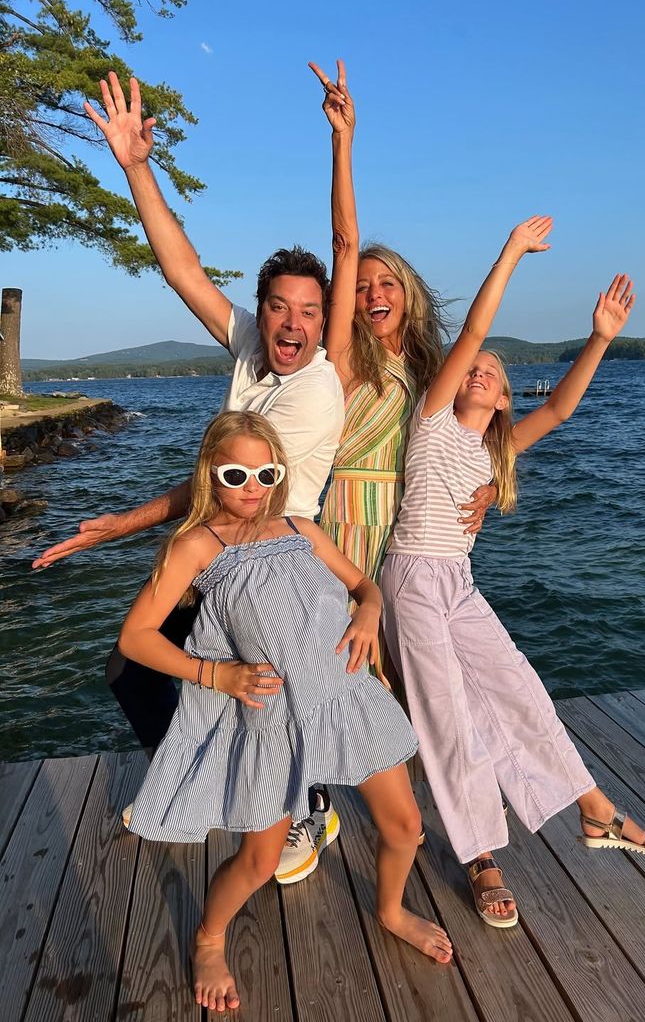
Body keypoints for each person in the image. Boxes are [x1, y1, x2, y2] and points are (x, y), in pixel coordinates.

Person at [31, 72, 345, 884]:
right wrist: (137, 167)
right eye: (279, 307)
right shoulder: (250, 348)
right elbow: (182, 272)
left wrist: (121, 524)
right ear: (263, 308)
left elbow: (229, 488)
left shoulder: (314, 390)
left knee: (198, 676)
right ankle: (212, 780)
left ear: (321, 320)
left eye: (309, 312)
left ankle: (304, 808)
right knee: (155, 673)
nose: (293, 323)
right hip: (227, 546)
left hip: (274, 558)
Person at [380, 216, 645, 930]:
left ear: (506, 399)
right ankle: (482, 858)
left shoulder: (494, 452)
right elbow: (476, 331)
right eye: (476, 368)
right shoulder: (433, 420)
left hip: (458, 585)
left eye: (495, 376)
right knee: (448, 719)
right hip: (411, 577)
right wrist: (510, 252)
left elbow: (565, 408)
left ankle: (592, 807)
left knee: (519, 689)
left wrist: (601, 336)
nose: (482, 371)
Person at [119, 410, 452, 1012]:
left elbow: (365, 587)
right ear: (210, 474)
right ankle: (210, 935)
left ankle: (391, 908)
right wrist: (215, 673)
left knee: (406, 826)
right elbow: (136, 636)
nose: (252, 486)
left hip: (347, 698)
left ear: (279, 473)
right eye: (236, 473)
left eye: (265, 472)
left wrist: (370, 613)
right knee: (259, 860)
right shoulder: (197, 545)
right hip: (273, 721)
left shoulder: (302, 527)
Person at [308, 60, 494, 590]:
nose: (373, 293)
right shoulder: (342, 352)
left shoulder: (432, 370)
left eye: (387, 283)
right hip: (348, 523)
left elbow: (483, 436)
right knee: (350, 653)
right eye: (363, 287)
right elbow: (345, 243)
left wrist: (492, 485)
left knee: (405, 660)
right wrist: (343, 141)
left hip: (418, 526)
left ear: (408, 294)